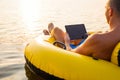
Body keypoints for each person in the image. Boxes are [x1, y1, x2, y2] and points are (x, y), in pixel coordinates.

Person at [43, 0, 120, 61]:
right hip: (90, 47)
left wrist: (67, 42)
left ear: (110, 11)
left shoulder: (97, 39)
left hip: (75, 51)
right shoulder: (111, 36)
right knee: (80, 38)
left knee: (57, 30)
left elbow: (70, 53)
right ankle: (51, 31)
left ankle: (50, 32)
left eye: (105, 8)